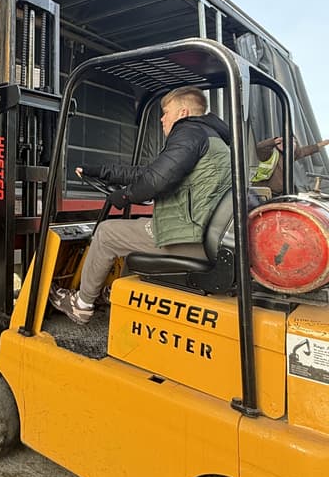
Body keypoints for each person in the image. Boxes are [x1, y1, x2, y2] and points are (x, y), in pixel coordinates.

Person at [49, 85, 232, 325]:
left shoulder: (189, 132)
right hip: (201, 232)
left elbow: (156, 180)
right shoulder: (211, 138)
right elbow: (150, 172)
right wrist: (102, 171)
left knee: (106, 233)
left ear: (183, 112)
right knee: (133, 229)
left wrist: (124, 197)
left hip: (189, 237)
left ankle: (81, 304)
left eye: (166, 112)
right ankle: (113, 291)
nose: (162, 119)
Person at [252, 135, 329, 196]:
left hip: (280, 194)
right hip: (265, 192)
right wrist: (273, 141)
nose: (286, 144)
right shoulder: (269, 154)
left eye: (292, 142)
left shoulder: (292, 155)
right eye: (283, 142)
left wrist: (324, 143)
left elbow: (307, 150)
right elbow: (260, 147)